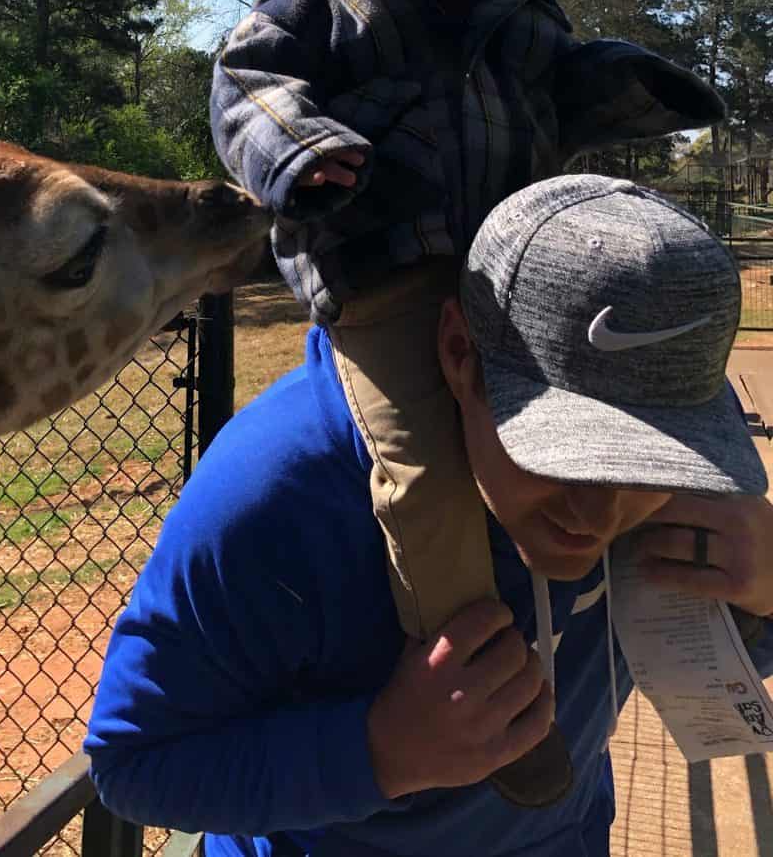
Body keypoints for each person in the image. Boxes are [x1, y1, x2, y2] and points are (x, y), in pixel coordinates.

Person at [208, 0, 724, 802]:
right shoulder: (319, 8)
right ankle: (484, 686)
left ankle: (702, 613)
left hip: (518, 275)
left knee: (646, 413)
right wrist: (296, 151)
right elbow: (243, 89)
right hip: (385, 283)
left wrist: (644, 90)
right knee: (425, 476)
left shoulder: (520, 18)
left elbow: (571, 91)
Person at [86, 175, 773, 857]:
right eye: (564, 454)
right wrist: (380, 753)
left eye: (644, 463)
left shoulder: (682, 490)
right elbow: (136, 769)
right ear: (459, 354)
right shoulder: (278, 489)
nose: (598, 512)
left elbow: (710, 659)